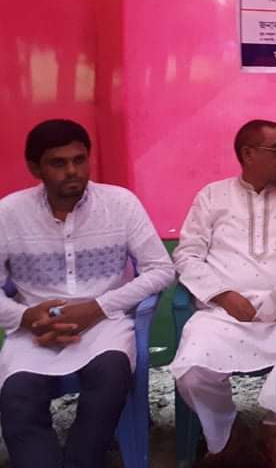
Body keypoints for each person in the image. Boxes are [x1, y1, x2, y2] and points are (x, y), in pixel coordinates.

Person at [0, 119, 175, 468]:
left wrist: (97, 307)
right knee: (17, 398)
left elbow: (161, 269)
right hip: (37, 329)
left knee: (112, 375)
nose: (72, 171)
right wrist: (25, 316)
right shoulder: (9, 212)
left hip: (103, 326)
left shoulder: (120, 203)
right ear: (35, 168)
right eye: (58, 163)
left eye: (79, 160)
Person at [171, 119, 276, 467]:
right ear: (248, 154)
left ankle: (273, 429)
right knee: (192, 370)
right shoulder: (212, 196)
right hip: (225, 315)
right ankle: (229, 437)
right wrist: (222, 294)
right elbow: (186, 255)